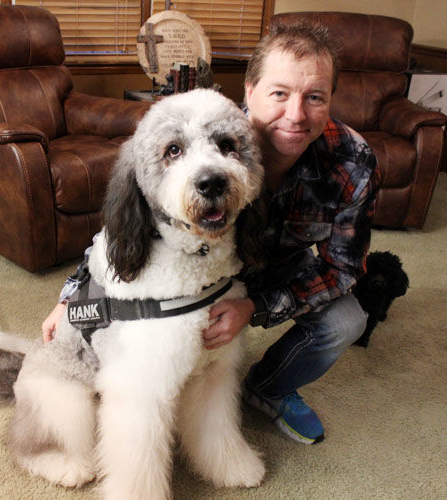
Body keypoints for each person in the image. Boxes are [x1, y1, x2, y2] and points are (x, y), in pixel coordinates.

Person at [41, 21, 380, 446]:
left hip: (274, 270)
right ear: (250, 91)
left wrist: (254, 307)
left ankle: (268, 386)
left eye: (314, 97)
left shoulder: (352, 161)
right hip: (198, 266)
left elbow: (343, 267)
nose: (296, 114)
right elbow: (125, 221)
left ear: (330, 99)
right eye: (279, 93)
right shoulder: (208, 123)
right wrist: (72, 299)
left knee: (347, 319)